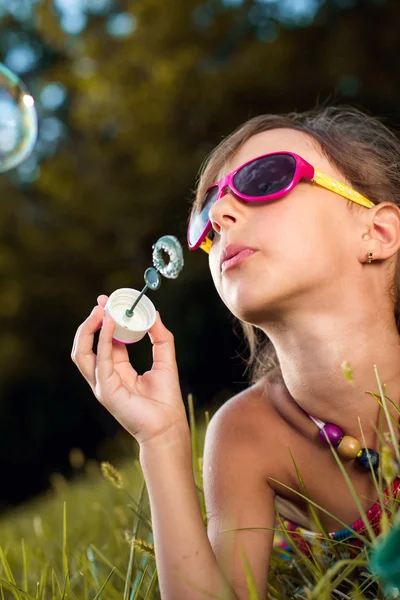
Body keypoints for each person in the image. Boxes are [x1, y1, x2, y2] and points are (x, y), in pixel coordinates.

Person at [71, 106, 400, 600]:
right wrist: (160, 439)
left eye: (265, 178)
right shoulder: (249, 436)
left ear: (377, 234)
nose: (221, 217)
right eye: (207, 217)